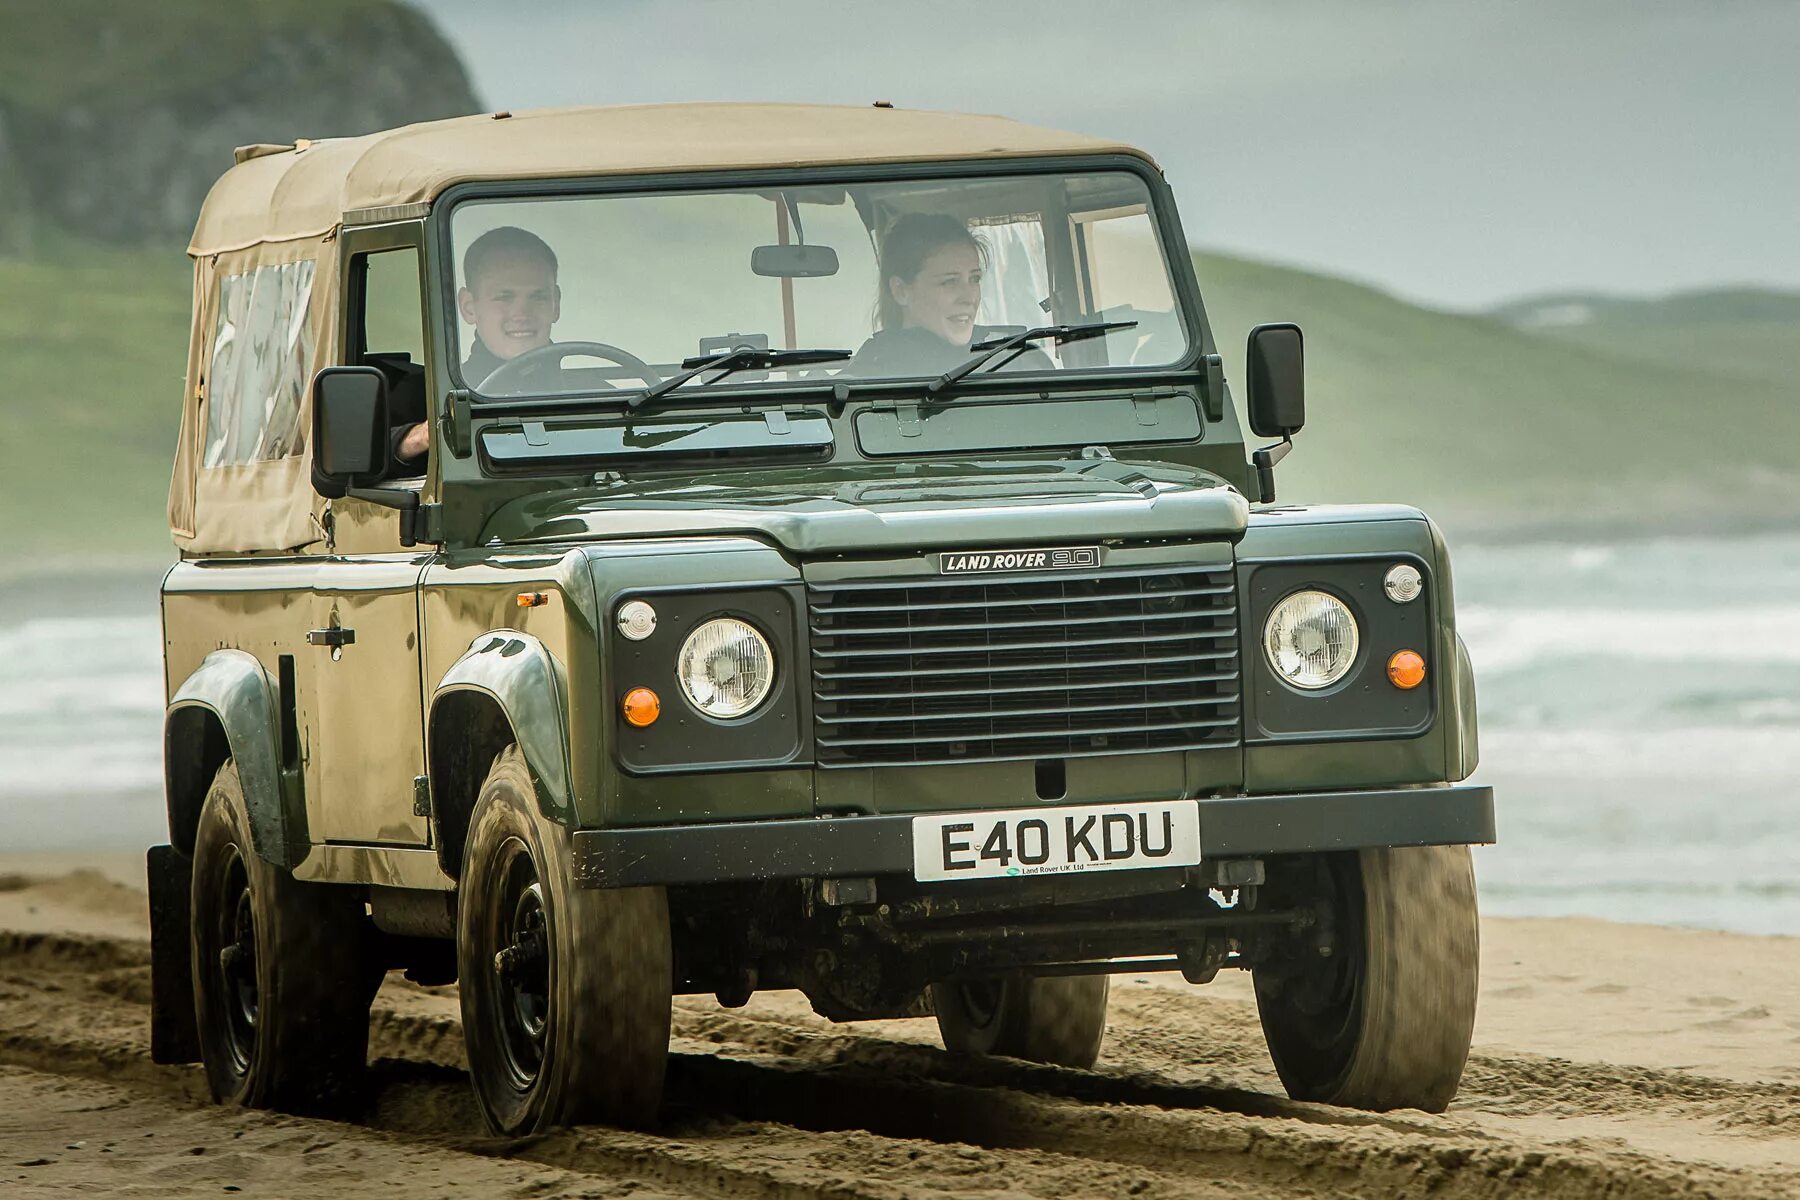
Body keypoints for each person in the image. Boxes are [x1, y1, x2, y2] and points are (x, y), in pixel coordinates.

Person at [391, 226, 562, 469]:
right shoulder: (425, 397)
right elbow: (352, 466)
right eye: (504, 297)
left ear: (555, 305)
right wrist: (420, 438)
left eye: (538, 297)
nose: (522, 314)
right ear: (469, 306)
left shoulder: (596, 396)